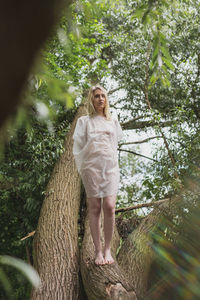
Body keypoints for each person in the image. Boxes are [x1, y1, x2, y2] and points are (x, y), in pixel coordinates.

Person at [72, 85, 123, 265]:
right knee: (95, 208)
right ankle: (98, 251)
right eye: (97, 96)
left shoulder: (112, 120)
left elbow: (115, 144)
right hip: (91, 168)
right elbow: (78, 147)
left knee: (109, 206)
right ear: (91, 100)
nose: (100, 99)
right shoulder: (84, 122)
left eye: (103, 96)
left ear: (106, 99)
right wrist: (86, 164)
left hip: (109, 167)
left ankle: (108, 249)